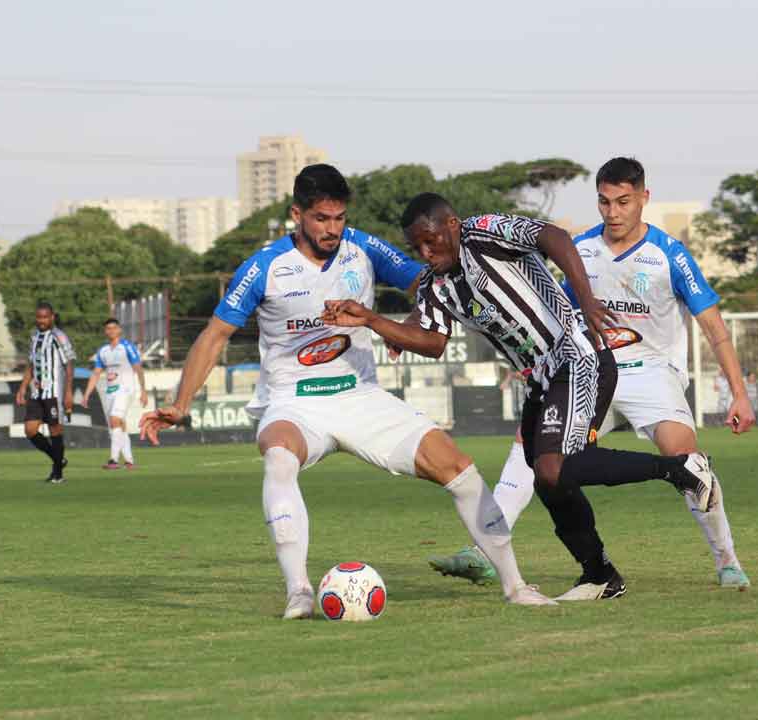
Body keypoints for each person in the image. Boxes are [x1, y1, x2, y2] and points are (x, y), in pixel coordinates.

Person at [139, 164, 555, 618]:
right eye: (321, 218)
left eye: (339, 218)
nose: (332, 228)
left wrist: (408, 329)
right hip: (294, 403)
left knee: (459, 468)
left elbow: (428, 282)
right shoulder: (265, 267)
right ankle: (298, 591)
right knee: (279, 456)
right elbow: (214, 335)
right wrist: (180, 405)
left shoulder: (363, 247)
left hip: (361, 398)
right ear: (297, 214)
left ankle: (515, 586)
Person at [323, 188, 725, 601]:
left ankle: (682, 470)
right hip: (540, 378)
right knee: (548, 479)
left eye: (432, 240)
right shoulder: (436, 285)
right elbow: (431, 341)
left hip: (577, 355)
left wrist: (584, 299)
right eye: (417, 246)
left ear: (452, 225)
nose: (426, 252)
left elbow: (556, 238)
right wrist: (373, 320)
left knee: (556, 468)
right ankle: (599, 574)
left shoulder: (483, 232)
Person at [419, 158, 756, 590]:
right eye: (604, 201)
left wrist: (739, 394)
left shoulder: (668, 254)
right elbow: (546, 313)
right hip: (590, 366)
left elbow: (714, 327)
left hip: (652, 374)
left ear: (643, 199)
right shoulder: (581, 250)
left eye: (623, 201)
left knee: (686, 458)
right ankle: (486, 549)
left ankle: (727, 560)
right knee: (535, 447)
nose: (613, 212)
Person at [15, 302, 75, 483]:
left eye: (44, 317)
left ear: (52, 317)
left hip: (54, 392)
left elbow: (69, 365)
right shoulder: (34, 337)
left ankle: (58, 474)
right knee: (30, 430)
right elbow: (31, 365)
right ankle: (58, 459)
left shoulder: (59, 337)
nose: (41, 321)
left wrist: (69, 393)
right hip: (37, 392)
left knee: (55, 430)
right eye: (38, 317)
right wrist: (22, 387)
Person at [81, 318, 148, 469]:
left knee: (114, 420)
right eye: (108, 328)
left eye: (114, 328)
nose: (111, 331)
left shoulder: (127, 347)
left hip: (126, 389)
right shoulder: (103, 350)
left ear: (119, 330)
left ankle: (113, 460)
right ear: (105, 331)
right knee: (118, 425)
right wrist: (86, 394)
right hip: (110, 391)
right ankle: (130, 461)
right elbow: (96, 373)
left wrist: (143, 390)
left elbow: (138, 368)